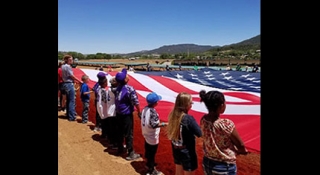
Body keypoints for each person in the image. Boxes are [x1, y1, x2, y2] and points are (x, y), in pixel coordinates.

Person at [199, 90, 248, 175]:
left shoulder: (203, 120)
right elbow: (240, 145)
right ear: (221, 105)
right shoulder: (226, 124)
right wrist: (242, 151)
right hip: (224, 166)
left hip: (207, 162)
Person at [166, 92, 202, 175]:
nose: (191, 104)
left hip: (176, 149)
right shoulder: (188, 119)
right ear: (185, 105)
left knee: (178, 172)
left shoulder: (172, 115)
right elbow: (200, 133)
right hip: (187, 153)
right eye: (190, 103)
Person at [114, 68, 142, 161]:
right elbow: (135, 101)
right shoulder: (129, 89)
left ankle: (120, 148)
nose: (128, 75)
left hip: (118, 113)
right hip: (126, 114)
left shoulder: (117, 87)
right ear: (125, 79)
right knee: (129, 133)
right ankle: (130, 153)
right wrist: (139, 111)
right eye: (126, 75)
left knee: (119, 131)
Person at [141, 92, 168, 175]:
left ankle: (148, 163)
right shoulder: (152, 112)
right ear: (155, 103)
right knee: (152, 153)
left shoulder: (145, 109)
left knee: (148, 149)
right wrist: (165, 124)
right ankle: (151, 169)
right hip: (152, 136)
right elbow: (154, 125)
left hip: (146, 133)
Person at [61, 55, 83, 121]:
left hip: (65, 83)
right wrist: (79, 81)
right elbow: (72, 76)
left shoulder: (63, 66)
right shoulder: (68, 67)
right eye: (71, 60)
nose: (72, 61)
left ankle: (68, 114)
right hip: (69, 84)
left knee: (68, 100)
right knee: (71, 101)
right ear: (67, 60)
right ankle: (72, 117)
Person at [105, 77, 118, 147]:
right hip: (113, 111)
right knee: (115, 129)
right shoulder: (114, 90)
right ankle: (114, 144)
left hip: (109, 110)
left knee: (111, 128)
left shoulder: (108, 89)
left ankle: (111, 141)